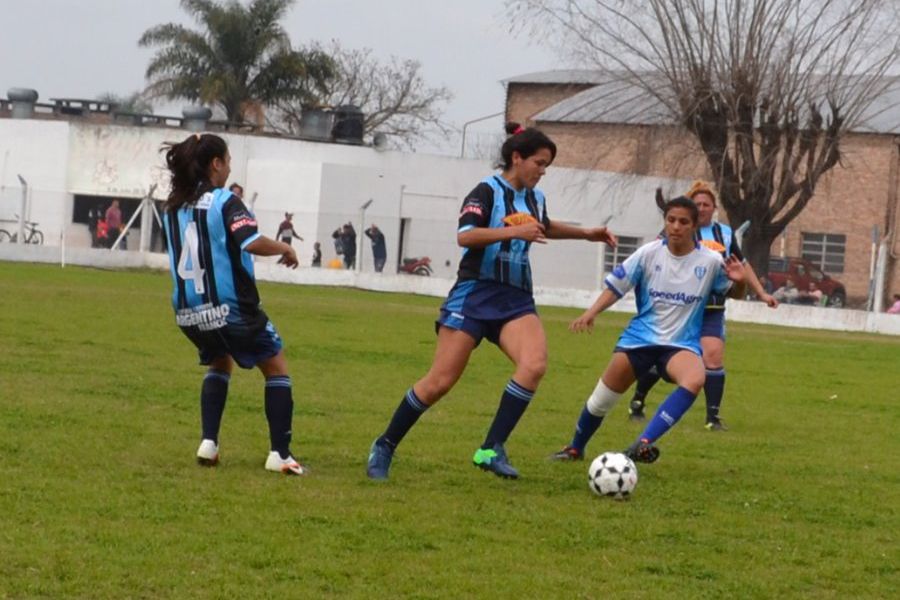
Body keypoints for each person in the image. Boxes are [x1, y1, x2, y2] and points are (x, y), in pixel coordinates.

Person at [365, 122, 617, 481]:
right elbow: (466, 236)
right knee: (439, 382)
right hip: (474, 294)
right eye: (539, 163)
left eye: (547, 166)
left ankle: (490, 448)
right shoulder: (485, 191)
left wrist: (586, 233)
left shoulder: (535, 198)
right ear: (517, 157)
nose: (542, 172)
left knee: (534, 364)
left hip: (515, 298)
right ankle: (385, 444)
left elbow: (542, 226)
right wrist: (515, 230)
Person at [551, 196, 748, 464]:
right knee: (601, 401)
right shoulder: (648, 253)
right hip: (639, 340)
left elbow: (734, 292)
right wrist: (591, 313)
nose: (676, 226)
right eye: (671, 220)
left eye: (683, 222)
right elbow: (617, 287)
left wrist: (740, 282)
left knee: (694, 379)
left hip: (681, 344)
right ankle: (575, 448)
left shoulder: (711, 260)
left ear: (694, 226)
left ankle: (643, 442)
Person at [160, 132, 307, 476]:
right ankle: (280, 455)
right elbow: (250, 241)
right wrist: (284, 248)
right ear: (216, 163)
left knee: (219, 363)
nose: (228, 169)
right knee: (276, 367)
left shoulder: (173, 206)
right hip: (231, 308)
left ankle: (208, 443)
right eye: (227, 161)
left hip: (189, 311)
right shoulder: (225, 200)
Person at [627, 180, 777, 431]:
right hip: (679, 306)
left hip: (713, 306)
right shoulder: (679, 228)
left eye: (707, 204)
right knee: (661, 357)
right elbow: (655, 258)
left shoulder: (725, 234)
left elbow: (742, 264)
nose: (703, 208)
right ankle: (638, 401)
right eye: (698, 204)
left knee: (713, 357)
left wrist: (761, 292)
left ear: (714, 208)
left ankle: (712, 418)